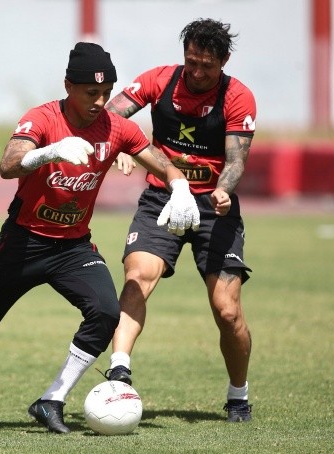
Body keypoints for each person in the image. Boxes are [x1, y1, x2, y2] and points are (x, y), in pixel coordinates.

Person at [0, 42, 200, 434]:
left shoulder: (118, 128)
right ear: (68, 86)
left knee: (106, 313)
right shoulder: (42, 118)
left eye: (106, 92)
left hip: (73, 248)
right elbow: (8, 165)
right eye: (90, 92)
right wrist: (49, 153)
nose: (100, 101)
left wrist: (180, 186)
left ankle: (51, 400)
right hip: (23, 243)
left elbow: (162, 163)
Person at [105, 18, 257, 422]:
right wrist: (121, 145)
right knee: (137, 277)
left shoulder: (238, 97)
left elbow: (236, 159)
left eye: (207, 65)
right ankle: (119, 372)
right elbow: (109, 115)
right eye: (191, 62)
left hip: (213, 206)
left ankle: (238, 394)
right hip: (163, 197)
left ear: (224, 61)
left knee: (227, 310)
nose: (197, 72)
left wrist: (224, 189)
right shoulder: (158, 80)